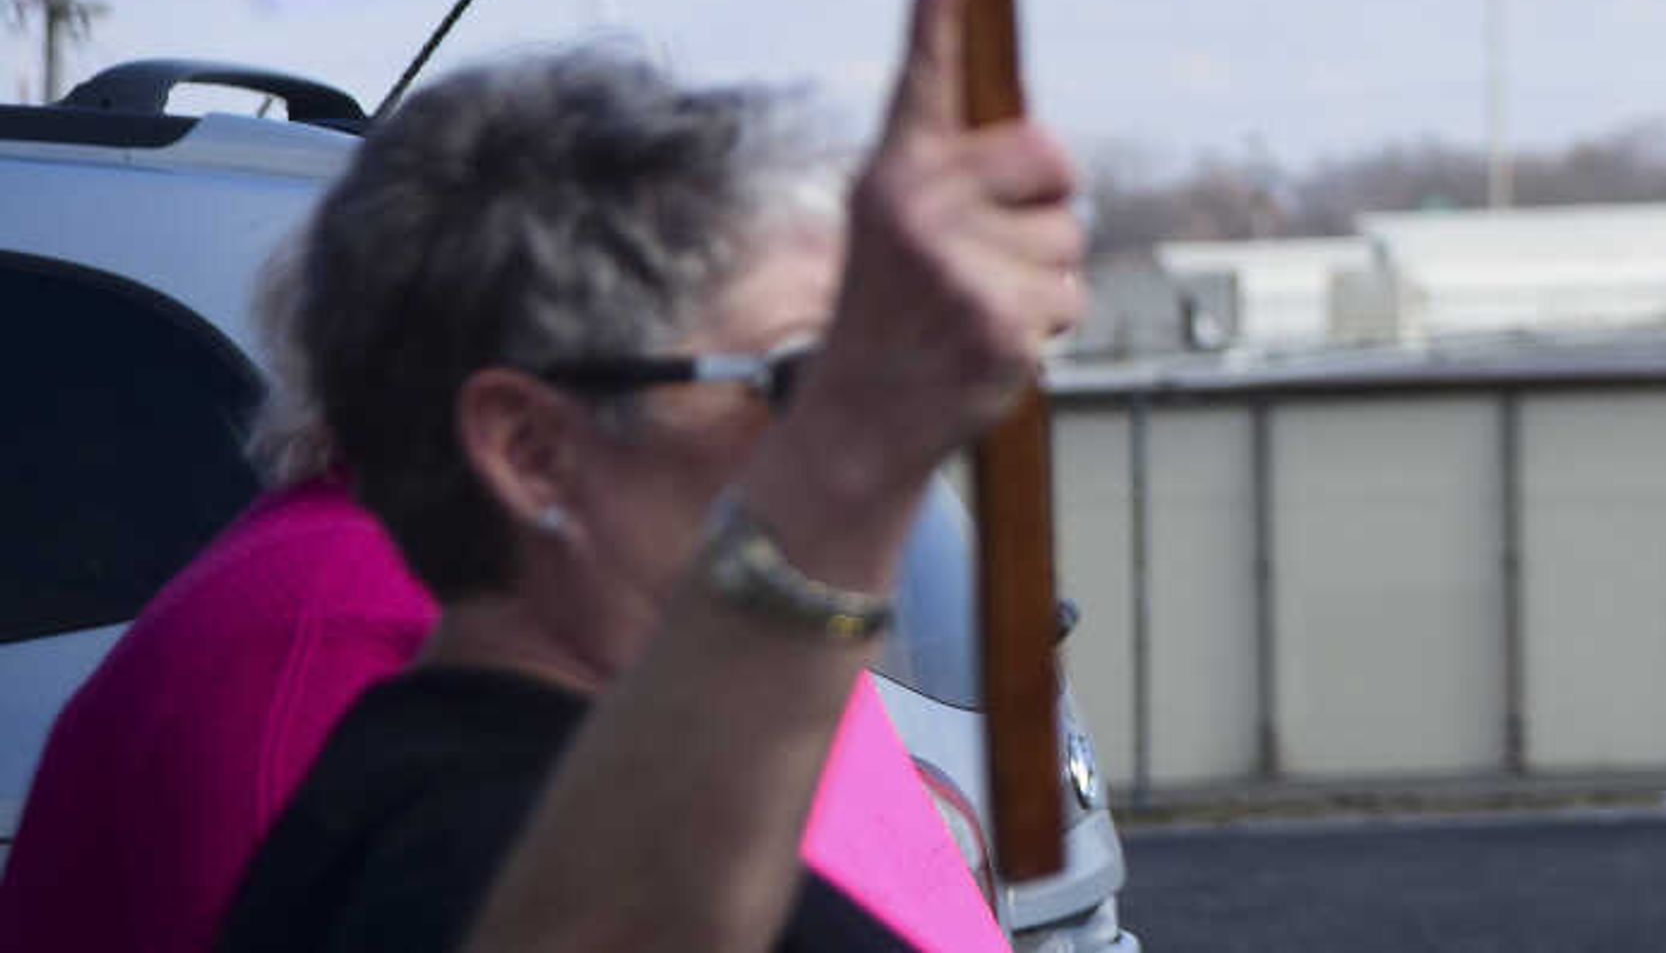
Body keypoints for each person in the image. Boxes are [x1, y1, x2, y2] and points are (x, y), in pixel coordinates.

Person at [212, 0, 1082, 953]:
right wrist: (848, 460)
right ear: (532, 451)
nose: (866, 429)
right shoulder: (461, 853)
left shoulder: (611, 779)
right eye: (792, 380)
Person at [0, 313, 1002, 952]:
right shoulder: (339, 623)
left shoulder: (671, 606)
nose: (818, 433)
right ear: (526, 439)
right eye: (764, 377)